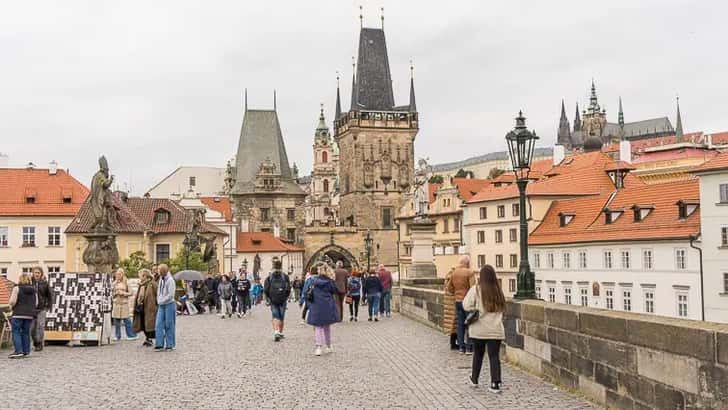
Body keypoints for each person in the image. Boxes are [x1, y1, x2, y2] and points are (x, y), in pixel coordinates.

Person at [463, 265, 506, 393]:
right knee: (494, 356)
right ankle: (495, 383)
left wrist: (476, 307)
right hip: (495, 328)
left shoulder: (476, 290)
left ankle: (474, 379)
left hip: (479, 329)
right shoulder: (498, 291)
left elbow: (466, 305)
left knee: (478, 354)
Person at [306, 264, 339, 356]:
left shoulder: (312, 281)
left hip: (316, 305)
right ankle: (328, 346)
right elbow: (335, 291)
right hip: (327, 305)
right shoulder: (330, 282)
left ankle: (318, 347)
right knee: (327, 327)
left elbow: (306, 292)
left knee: (318, 327)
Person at [446, 255, 476, 355]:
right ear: (467, 263)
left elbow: (449, 288)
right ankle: (469, 348)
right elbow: (473, 289)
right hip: (467, 302)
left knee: (460, 325)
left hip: (458, 301)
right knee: (470, 324)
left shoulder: (454, 273)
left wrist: (456, 293)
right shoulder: (470, 272)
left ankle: (461, 348)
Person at [8, 274, 37, 358]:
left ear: (20, 279)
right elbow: (36, 303)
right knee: (26, 332)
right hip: (29, 315)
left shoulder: (16, 288)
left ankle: (18, 351)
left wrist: (11, 307)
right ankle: (26, 351)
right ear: (29, 280)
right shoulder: (34, 290)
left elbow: (12, 301)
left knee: (16, 332)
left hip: (18, 314)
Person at [263, 259, 291, 342]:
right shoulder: (285, 276)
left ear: (273, 267)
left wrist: (267, 299)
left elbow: (266, 289)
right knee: (281, 317)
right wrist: (286, 297)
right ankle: (280, 332)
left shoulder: (269, 277)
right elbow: (288, 289)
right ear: (281, 267)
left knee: (275, 316)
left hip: (273, 299)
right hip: (282, 299)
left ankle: (276, 332)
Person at [133, 268, 158, 347]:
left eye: (140, 276)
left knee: (150, 325)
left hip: (150, 308)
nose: (139, 277)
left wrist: (156, 306)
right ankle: (148, 339)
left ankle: (151, 338)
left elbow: (157, 294)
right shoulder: (141, 285)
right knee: (143, 324)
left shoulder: (152, 284)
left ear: (145, 276)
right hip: (141, 308)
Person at [111, 268, 138, 341]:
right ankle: (117, 336)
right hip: (116, 303)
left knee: (127, 320)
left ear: (122, 274)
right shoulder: (114, 283)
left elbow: (131, 293)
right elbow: (111, 294)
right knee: (116, 321)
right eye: (117, 274)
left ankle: (131, 335)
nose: (118, 276)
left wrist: (123, 293)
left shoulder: (126, 282)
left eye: (119, 274)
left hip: (124, 303)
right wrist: (115, 293)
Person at [154, 264, 176, 352]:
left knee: (169, 324)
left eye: (159, 270)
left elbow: (170, 295)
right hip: (161, 304)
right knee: (158, 324)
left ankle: (170, 344)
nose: (157, 272)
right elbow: (159, 291)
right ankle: (159, 344)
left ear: (163, 271)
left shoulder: (170, 280)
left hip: (169, 304)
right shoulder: (161, 280)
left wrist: (162, 300)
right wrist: (158, 299)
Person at [30, 266, 52, 351]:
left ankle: (39, 344)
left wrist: (48, 306)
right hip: (31, 309)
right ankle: (35, 342)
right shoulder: (29, 282)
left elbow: (49, 296)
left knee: (40, 326)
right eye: (35, 272)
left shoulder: (45, 283)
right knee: (32, 328)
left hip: (42, 308)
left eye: (38, 273)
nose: (37, 274)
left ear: (41, 274)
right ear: (33, 273)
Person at [443, 266, 459, 350]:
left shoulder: (447, 278)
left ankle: (453, 343)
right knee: (454, 324)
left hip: (448, 303)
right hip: (452, 303)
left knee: (452, 325)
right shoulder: (451, 279)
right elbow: (451, 289)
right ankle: (453, 344)